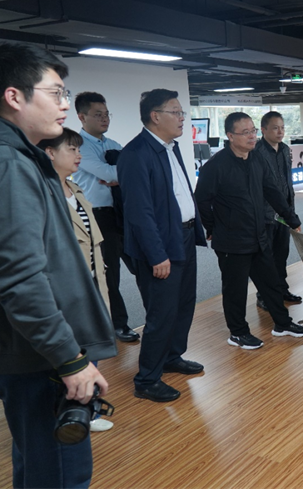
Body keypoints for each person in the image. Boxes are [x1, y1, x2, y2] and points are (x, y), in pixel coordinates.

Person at [0, 42, 116, 488]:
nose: (65, 105)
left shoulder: (16, 154)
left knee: (40, 466)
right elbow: (19, 277)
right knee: (60, 475)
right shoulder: (6, 162)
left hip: (30, 349)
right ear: (14, 96)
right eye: (56, 93)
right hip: (37, 356)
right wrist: (69, 359)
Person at [117, 89, 206, 403]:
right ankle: (147, 379)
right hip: (161, 244)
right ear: (155, 116)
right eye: (176, 112)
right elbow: (139, 213)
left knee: (183, 304)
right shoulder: (135, 154)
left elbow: (180, 194)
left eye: (182, 112)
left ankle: (171, 356)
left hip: (184, 237)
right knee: (162, 313)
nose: (182, 118)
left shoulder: (171, 147)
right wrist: (157, 255)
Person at [194, 112, 303, 349]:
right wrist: (212, 227)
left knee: (271, 283)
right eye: (245, 132)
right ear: (230, 136)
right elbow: (202, 201)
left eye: (253, 131)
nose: (251, 136)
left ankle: (282, 324)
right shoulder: (215, 166)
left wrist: (290, 217)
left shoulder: (256, 159)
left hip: (258, 235)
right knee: (235, 290)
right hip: (231, 240)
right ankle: (238, 332)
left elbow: (272, 191)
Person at [38, 128, 115, 433]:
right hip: (67, 285)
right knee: (73, 348)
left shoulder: (74, 188)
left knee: (93, 343)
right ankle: (70, 410)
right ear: (50, 153)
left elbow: (91, 235)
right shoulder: (44, 193)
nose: (79, 155)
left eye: (79, 149)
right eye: (71, 149)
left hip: (93, 278)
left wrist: (99, 262)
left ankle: (86, 407)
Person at [72, 91, 139, 343]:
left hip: (122, 213)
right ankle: (118, 324)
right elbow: (110, 173)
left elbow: (132, 171)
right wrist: (120, 174)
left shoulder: (113, 144)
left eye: (106, 114)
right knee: (110, 274)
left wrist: (120, 175)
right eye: (98, 114)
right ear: (82, 117)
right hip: (98, 217)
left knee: (142, 264)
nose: (104, 119)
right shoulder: (79, 146)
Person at [254, 110, 302, 310]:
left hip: (284, 213)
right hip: (265, 214)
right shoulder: (256, 151)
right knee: (266, 258)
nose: (280, 132)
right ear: (263, 130)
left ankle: (281, 289)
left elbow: (287, 180)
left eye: (282, 127)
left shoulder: (284, 149)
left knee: (281, 255)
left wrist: (290, 210)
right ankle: (264, 295)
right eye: (275, 128)